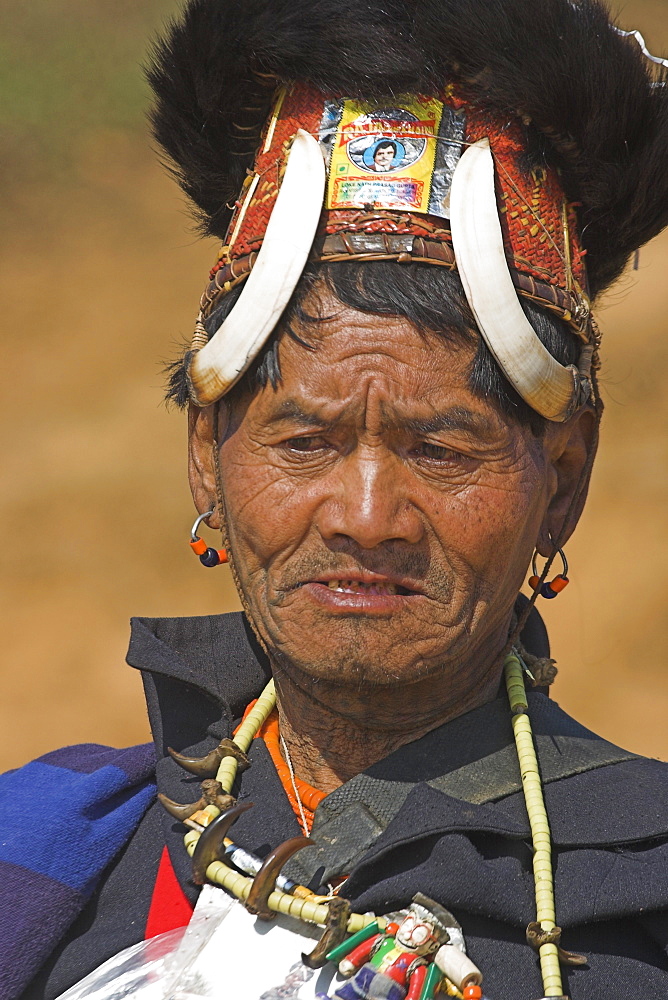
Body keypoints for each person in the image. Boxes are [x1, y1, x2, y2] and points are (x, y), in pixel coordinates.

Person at [3, 1, 668, 998]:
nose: (365, 514)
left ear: (561, 481)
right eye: (305, 441)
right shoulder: (46, 861)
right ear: (205, 454)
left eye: (441, 449)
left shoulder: (636, 914)